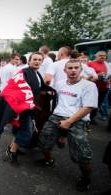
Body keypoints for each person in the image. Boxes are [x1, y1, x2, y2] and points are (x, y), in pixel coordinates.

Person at [38, 59, 98, 192]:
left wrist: (69, 122)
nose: (73, 70)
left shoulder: (89, 86)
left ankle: (85, 178)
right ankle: (49, 160)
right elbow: (48, 91)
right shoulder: (59, 84)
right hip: (56, 116)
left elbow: (88, 107)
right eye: (70, 68)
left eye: (76, 68)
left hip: (77, 119)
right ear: (64, 71)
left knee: (82, 155)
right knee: (43, 142)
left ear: (81, 70)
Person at [0, 52, 57, 164]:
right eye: (34, 59)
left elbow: (36, 89)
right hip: (23, 108)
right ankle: (11, 152)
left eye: (39, 60)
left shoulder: (37, 74)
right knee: (26, 132)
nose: (37, 61)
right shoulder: (24, 72)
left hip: (30, 108)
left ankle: (12, 149)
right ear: (29, 61)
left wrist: (47, 92)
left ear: (42, 62)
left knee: (21, 130)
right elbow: (15, 88)